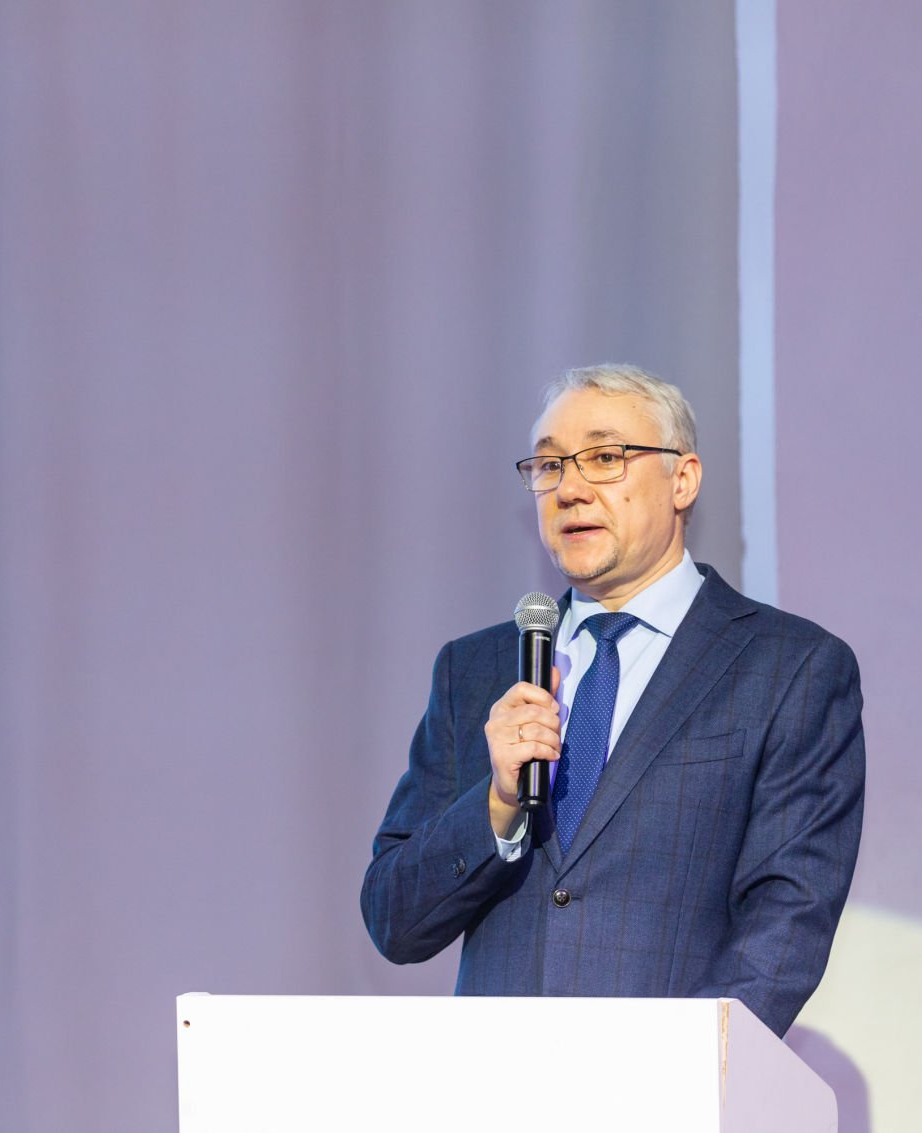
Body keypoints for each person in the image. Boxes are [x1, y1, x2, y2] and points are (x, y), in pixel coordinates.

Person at [359, 364, 864, 1038]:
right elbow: (394, 919)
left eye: (604, 458)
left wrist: (676, 1071)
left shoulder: (789, 666)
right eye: (549, 466)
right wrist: (498, 803)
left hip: (667, 1083)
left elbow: (787, 920)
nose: (569, 489)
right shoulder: (476, 669)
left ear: (682, 480)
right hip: (490, 1079)